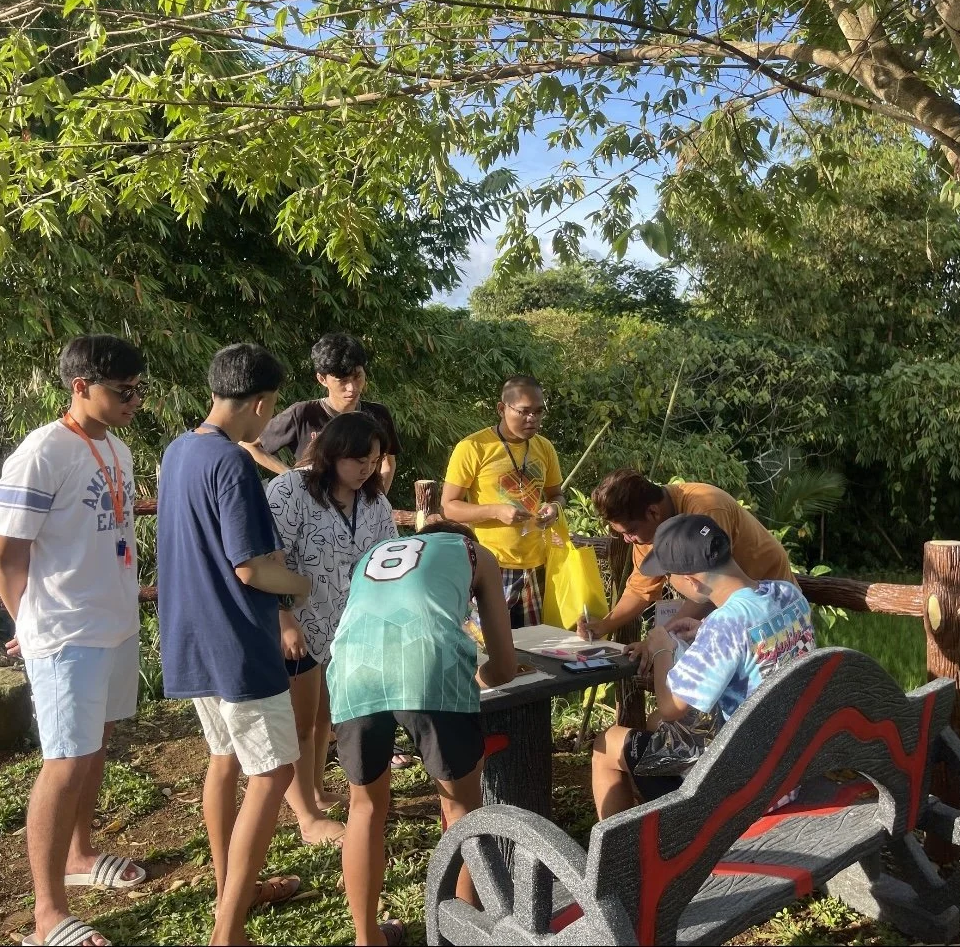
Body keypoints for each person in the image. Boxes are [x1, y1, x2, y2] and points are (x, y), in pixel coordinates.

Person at [0, 335, 147, 947]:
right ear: (80, 388)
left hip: (114, 623)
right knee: (63, 762)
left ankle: (80, 856)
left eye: (138, 390)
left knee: (96, 745)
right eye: (121, 391)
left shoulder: (118, 448)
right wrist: (26, 625)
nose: (134, 400)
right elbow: (5, 553)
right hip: (63, 631)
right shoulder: (41, 453)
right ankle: (46, 913)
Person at [157, 344, 313, 946]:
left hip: (191, 635)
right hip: (237, 641)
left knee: (225, 761)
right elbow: (251, 567)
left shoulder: (178, 450)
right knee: (273, 772)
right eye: (268, 411)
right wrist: (304, 584)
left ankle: (233, 887)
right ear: (258, 402)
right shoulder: (231, 463)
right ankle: (228, 931)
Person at [328, 519, 518, 947]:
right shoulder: (475, 553)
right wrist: (475, 680)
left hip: (350, 670)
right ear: (464, 538)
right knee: (463, 810)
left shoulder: (376, 555)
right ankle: (463, 931)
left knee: (365, 809)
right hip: (428, 663)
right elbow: (504, 667)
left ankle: (366, 938)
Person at [591, 514, 816, 819]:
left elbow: (672, 707)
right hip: (790, 769)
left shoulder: (725, 627)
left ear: (692, 580)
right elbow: (757, 638)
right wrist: (703, 629)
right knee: (655, 724)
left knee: (608, 742)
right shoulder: (786, 593)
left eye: (669, 575)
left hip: (744, 789)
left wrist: (660, 651)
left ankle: (618, 856)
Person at [265, 410, 397, 836]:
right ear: (332, 453)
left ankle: (317, 790)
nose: (366, 469)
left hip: (347, 629)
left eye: (373, 461)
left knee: (325, 719)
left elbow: (386, 560)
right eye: (358, 460)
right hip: (298, 626)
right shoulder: (291, 490)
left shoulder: (375, 502)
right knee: (299, 724)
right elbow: (269, 557)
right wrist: (284, 618)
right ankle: (307, 818)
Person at [578, 469, 794, 641]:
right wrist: (603, 625)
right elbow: (640, 589)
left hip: (773, 609)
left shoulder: (706, 508)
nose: (627, 540)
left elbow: (710, 585)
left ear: (653, 512)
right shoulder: (647, 528)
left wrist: (659, 641)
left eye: (630, 532)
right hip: (726, 617)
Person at [442, 375, 564, 629]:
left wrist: (554, 508)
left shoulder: (545, 448)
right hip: (491, 565)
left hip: (536, 566)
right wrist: (495, 511)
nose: (533, 419)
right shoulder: (473, 447)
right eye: (524, 412)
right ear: (501, 409)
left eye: (539, 412)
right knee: (485, 646)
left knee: (533, 649)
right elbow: (449, 507)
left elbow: (556, 494)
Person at [241, 332, 401, 492]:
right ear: (322, 379)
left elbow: (388, 463)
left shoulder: (378, 414)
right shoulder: (303, 413)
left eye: (357, 376)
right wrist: (291, 475)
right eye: (342, 381)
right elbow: (250, 445)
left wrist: (376, 501)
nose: (352, 388)